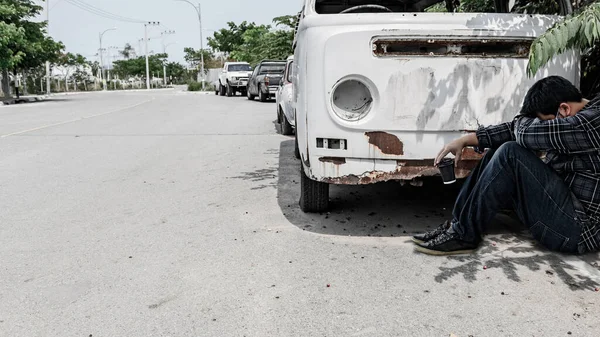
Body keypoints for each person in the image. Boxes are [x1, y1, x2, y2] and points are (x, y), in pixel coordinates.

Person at [413, 76, 600, 256]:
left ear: (564, 109)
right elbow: (517, 130)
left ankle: (464, 235)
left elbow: (525, 133)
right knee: (499, 150)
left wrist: (521, 123)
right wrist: (465, 140)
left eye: (543, 122)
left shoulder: (592, 122)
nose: (541, 126)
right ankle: (458, 225)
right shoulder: (574, 118)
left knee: (510, 152)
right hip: (563, 210)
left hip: (577, 230)